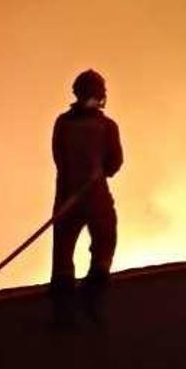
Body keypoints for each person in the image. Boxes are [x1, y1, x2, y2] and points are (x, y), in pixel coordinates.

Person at [50, 68, 123, 329]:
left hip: (66, 201)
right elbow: (115, 164)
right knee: (105, 241)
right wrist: (98, 171)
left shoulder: (62, 123)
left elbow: (59, 159)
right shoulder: (107, 126)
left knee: (62, 253)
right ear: (101, 95)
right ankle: (92, 298)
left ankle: (62, 311)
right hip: (96, 200)